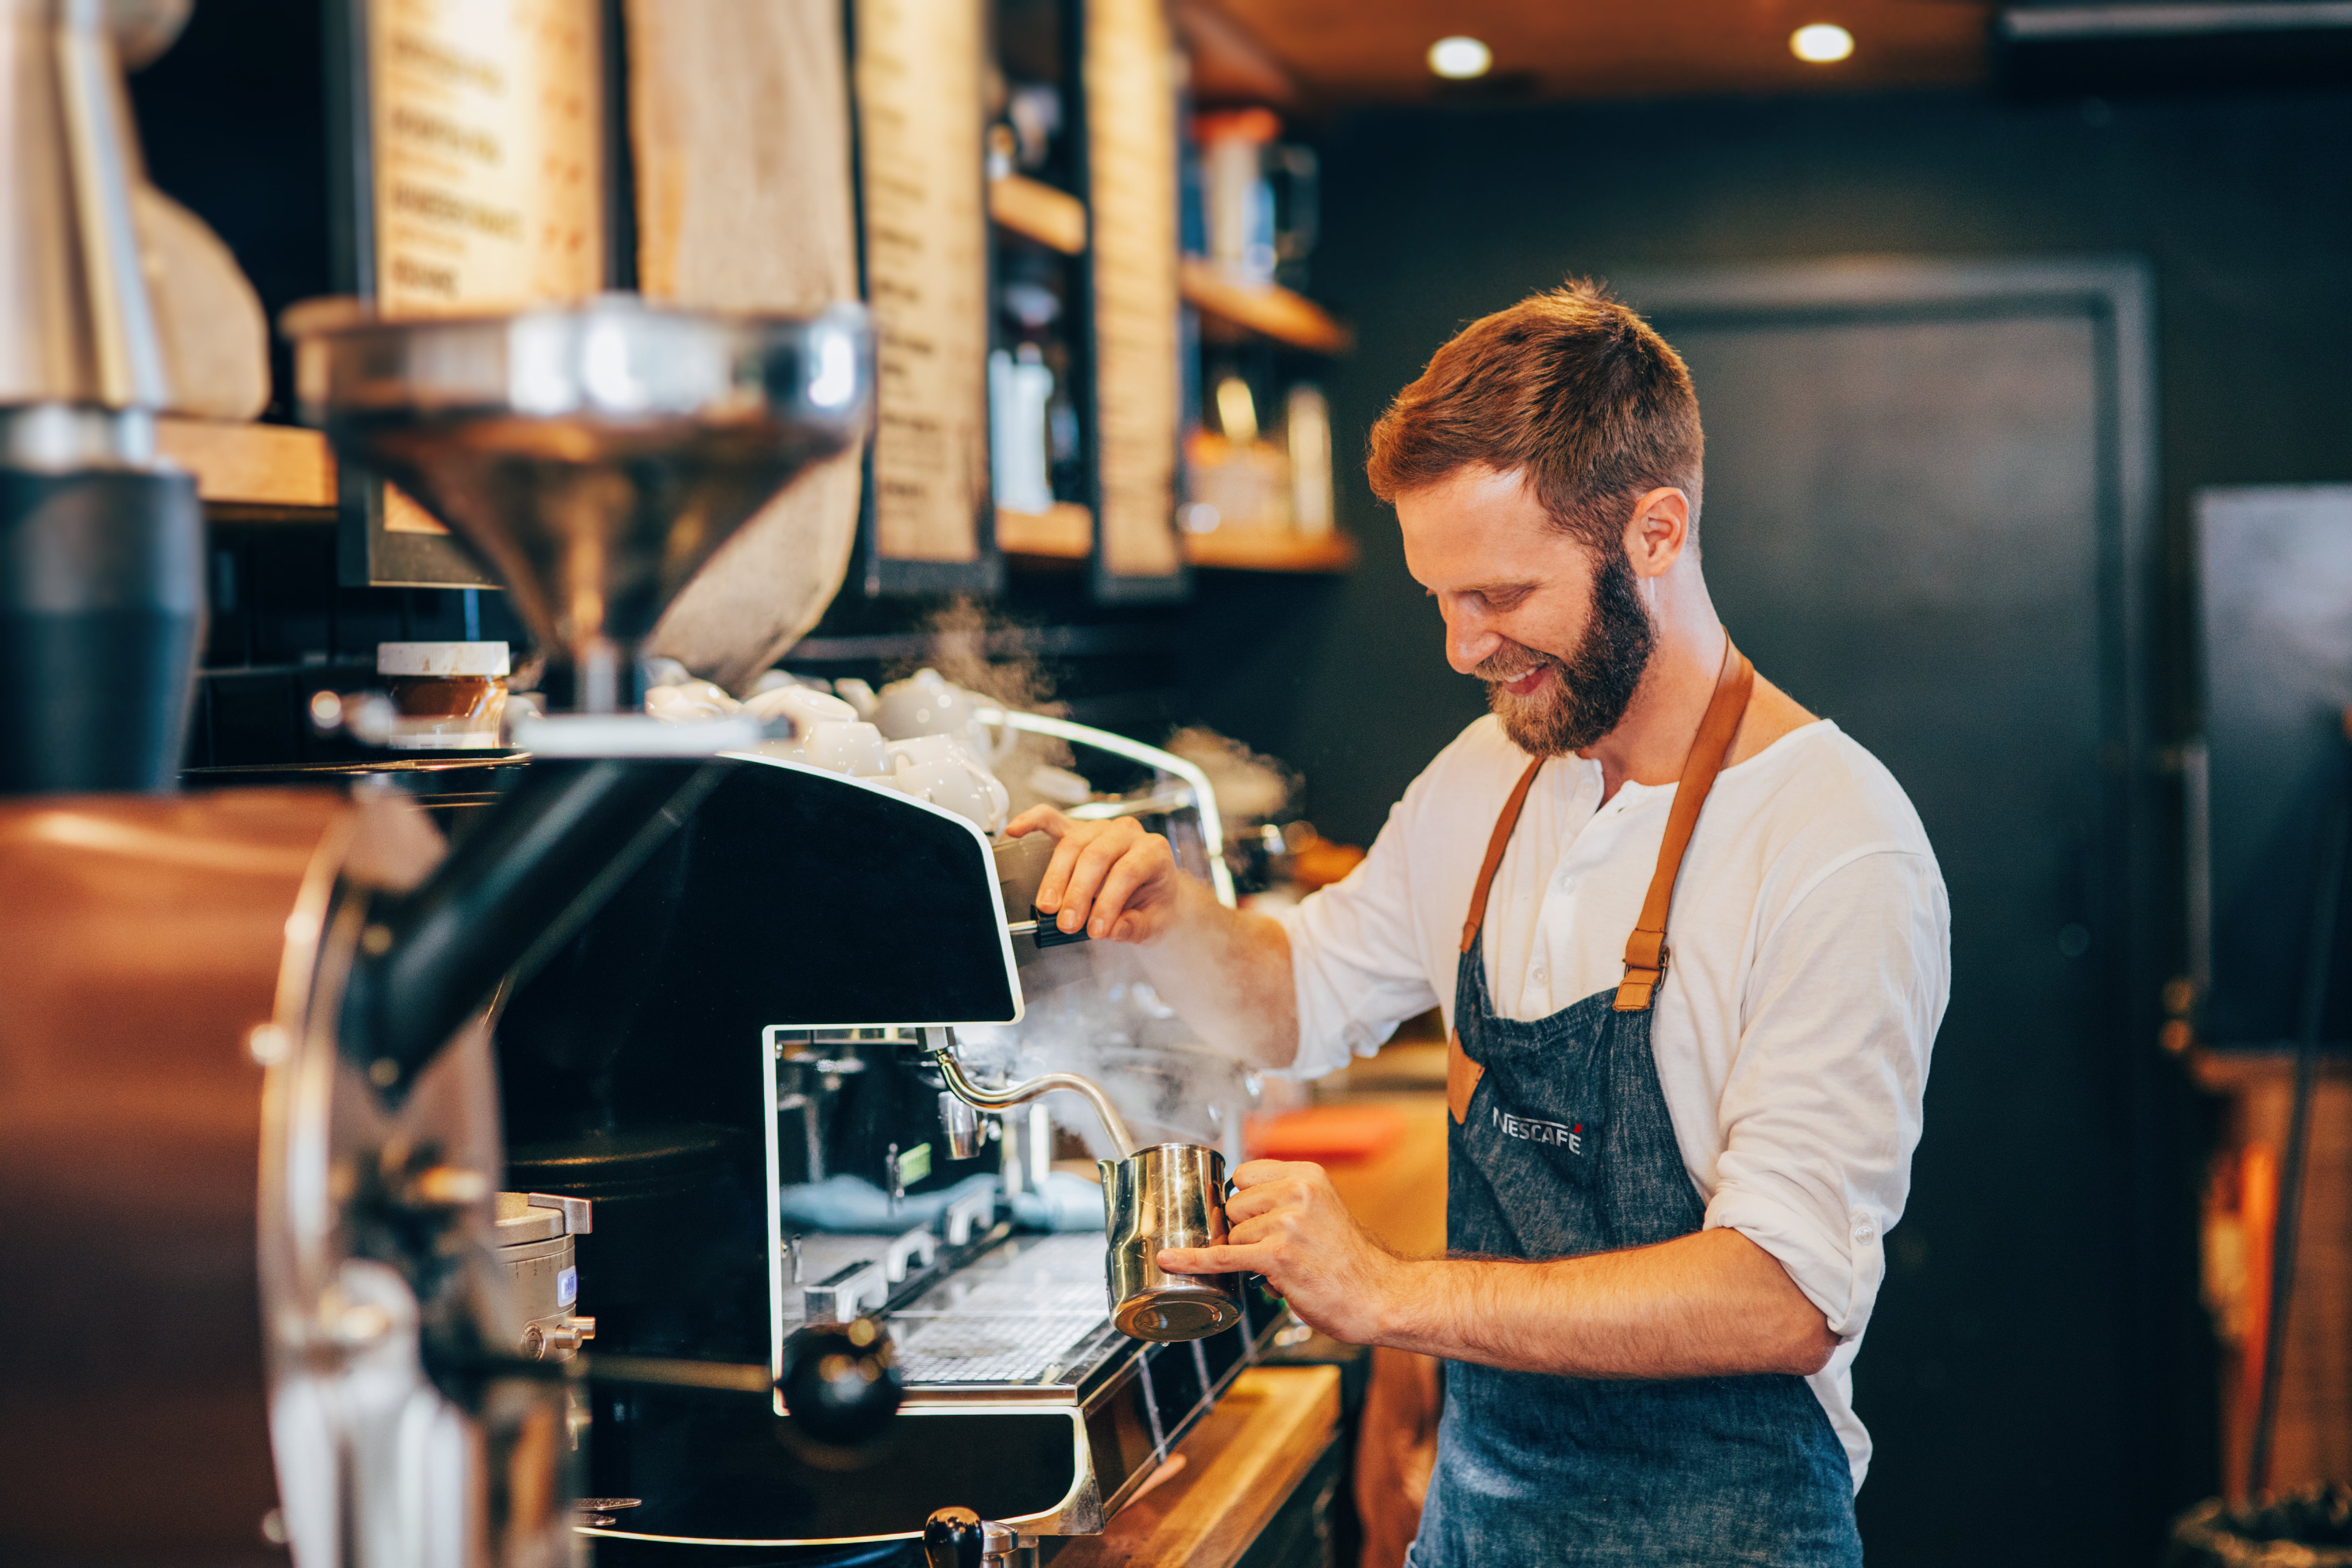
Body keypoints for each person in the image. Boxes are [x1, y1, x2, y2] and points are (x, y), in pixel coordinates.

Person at [1007, 280, 1950, 1565]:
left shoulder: (1834, 842)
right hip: (1484, 1526)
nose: (1463, 647)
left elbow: (1782, 1300)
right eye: (1440, 599)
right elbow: (1295, 1000)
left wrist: (1388, 1292)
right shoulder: (1489, 777)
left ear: (1657, 532)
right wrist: (1168, 913)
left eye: (1501, 594)